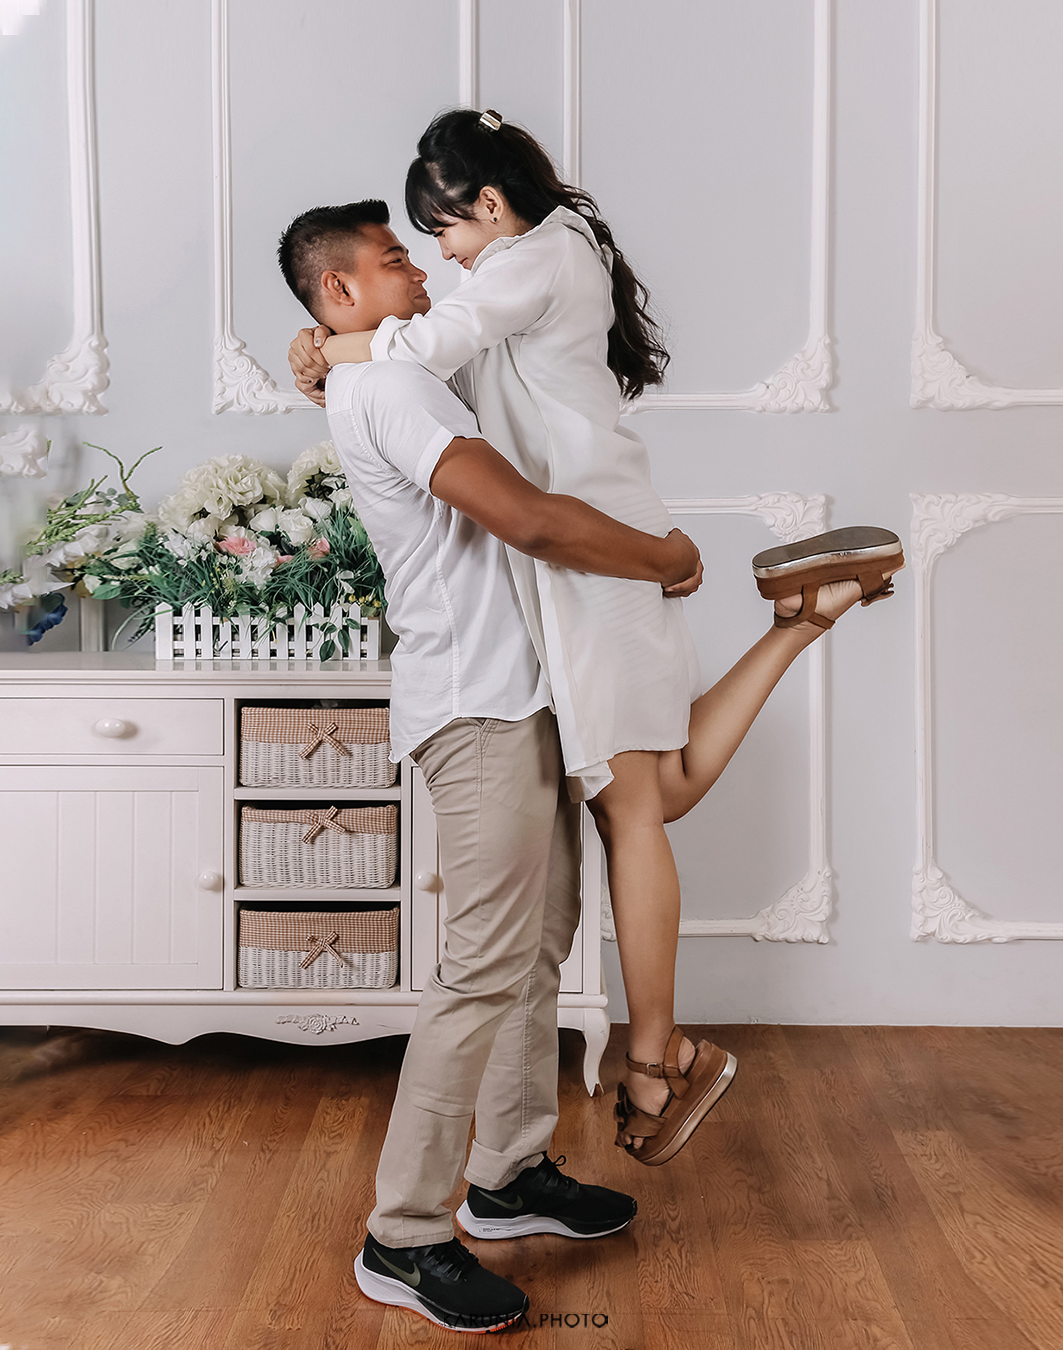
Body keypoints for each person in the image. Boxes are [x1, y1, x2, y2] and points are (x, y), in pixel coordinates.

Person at [287, 112, 905, 1166]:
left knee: (637, 808)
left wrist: (332, 340)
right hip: (595, 547)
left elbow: (435, 353)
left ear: (488, 205)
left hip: (595, 551)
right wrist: (326, 342)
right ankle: (801, 624)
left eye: (438, 233)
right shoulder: (531, 269)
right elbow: (438, 371)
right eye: (407, 251)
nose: (438, 260)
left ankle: (656, 1060)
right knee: (654, 789)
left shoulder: (535, 256)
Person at [277, 199, 706, 1334]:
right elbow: (528, 520)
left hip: (520, 702)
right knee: (481, 970)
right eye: (389, 259)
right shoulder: (395, 388)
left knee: (533, 953)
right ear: (339, 293)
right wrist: (662, 560)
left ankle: (508, 1177)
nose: (416, 269)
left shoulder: (386, 367)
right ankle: (402, 1236)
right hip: (474, 711)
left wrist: (323, 359)